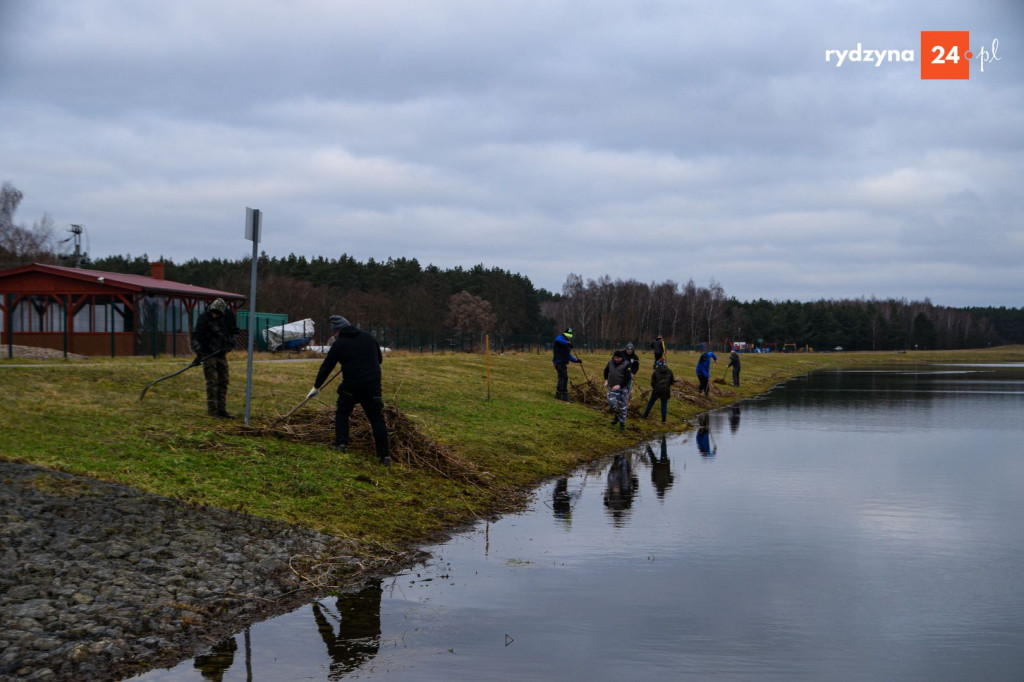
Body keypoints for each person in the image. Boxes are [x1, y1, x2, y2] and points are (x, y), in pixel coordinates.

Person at [308, 315, 391, 466]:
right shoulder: (368, 337)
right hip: (372, 387)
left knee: (343, 412)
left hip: (351, 387)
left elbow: (327, 366)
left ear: (338, 331)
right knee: (377, 419)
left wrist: (316, 386)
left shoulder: (340, 344)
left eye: (334, 333)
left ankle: (341, 444)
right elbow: (379, 359)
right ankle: (384, 455)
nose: (334, 336)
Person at [190, 298, 238, 418]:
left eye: (217, 313)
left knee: (224, 380)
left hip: (221, 352)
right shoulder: (204, 318)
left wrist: (230, 344)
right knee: (212, 382)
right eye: (213, 312)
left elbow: (235, 332)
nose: (214, 315)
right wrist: (199, 354)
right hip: (208, 353)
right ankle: (213, 411)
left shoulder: (228, 316)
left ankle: (222, 409)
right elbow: (196, 337)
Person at [603, 350, 632, 431]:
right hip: (612, 387)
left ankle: (622, 423)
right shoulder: (610, 362)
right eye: (615, 358)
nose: (616, 359)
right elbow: (606, 371)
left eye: (618, 358)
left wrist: (620, 385)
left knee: (623, 406)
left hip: (623, 388)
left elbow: (628, 377)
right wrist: (606, 380)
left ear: (621, 358)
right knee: (611, 403)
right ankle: (616, 416)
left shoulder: (626, 364)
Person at [552, 327, 582, 401]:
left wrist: (575, 360)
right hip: (559, 362)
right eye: (567, 335)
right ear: (565, 334)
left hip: (563, 362)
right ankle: (563, 394)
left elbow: (567, 355)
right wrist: (568, 343)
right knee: (564, 377)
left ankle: (558, 393)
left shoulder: (566, 344)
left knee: (562, 377)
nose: (569, 337)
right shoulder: (560, 338)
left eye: (570, 336)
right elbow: (558, 340)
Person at [642, 358, 675, 422]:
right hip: (666, 390)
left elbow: (652, 382)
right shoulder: (669, 371)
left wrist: (655, 387)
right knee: (664, 405)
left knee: (650, 403)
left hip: (656, 390)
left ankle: (645, 416)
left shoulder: (656, 371)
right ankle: (663, 421)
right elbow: (672, 382)